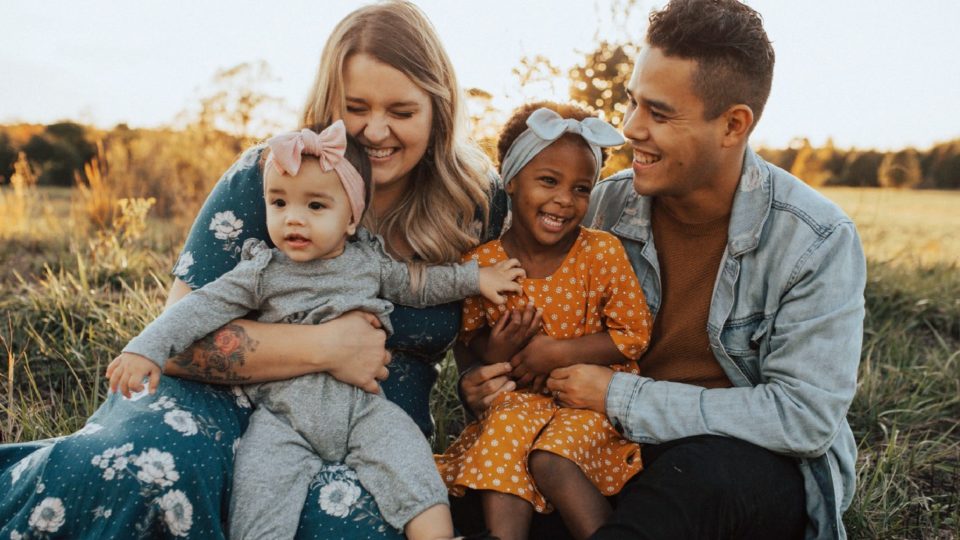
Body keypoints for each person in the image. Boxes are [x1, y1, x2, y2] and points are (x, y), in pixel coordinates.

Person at [0, 2, 508, 538]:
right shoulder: (276, 174)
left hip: (368, 420)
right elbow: (175, 340)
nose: (375, 131)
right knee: (146, 467)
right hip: (213, 399)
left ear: (439, 107)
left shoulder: (474, 198)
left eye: (402, 112)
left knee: (341, 522)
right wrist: (329, 347)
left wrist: (482, 377)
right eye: (356, 107)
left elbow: (485, 335)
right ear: (329, 102)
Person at [463, 1, 866, 539]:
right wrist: (479, 377)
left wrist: (620, 397)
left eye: (659, 113)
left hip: (734, 462)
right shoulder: (599, 206)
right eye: (633, 103)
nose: (630, 129)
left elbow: (802, 418)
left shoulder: (815, 240)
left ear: (732, 125)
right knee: (491, 494)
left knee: (692, 488)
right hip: (602, 443)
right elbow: (493, 296)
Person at [106, 122, 523, 540]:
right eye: (279, 203)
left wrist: (475, 279)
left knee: (411, 461)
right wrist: (147, 347)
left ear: (351, 218)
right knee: (260, 490)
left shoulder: (370, 263)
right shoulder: (262, 272)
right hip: (283, 418)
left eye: (315, 207)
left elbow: (420, 282)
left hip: (363, 409)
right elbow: (200, 306)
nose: (294, 219)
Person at [436, 103, 651, 540]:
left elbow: (634, 334)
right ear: (512, 180)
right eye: (549, 181)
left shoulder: (601, 253)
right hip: (520, 401)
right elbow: (471, 338)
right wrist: (494, 353)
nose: (564, 200)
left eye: (580, 188)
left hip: (588, 400)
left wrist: (557, 352)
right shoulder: (485, 264)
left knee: (551, 458)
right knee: (502, 435)